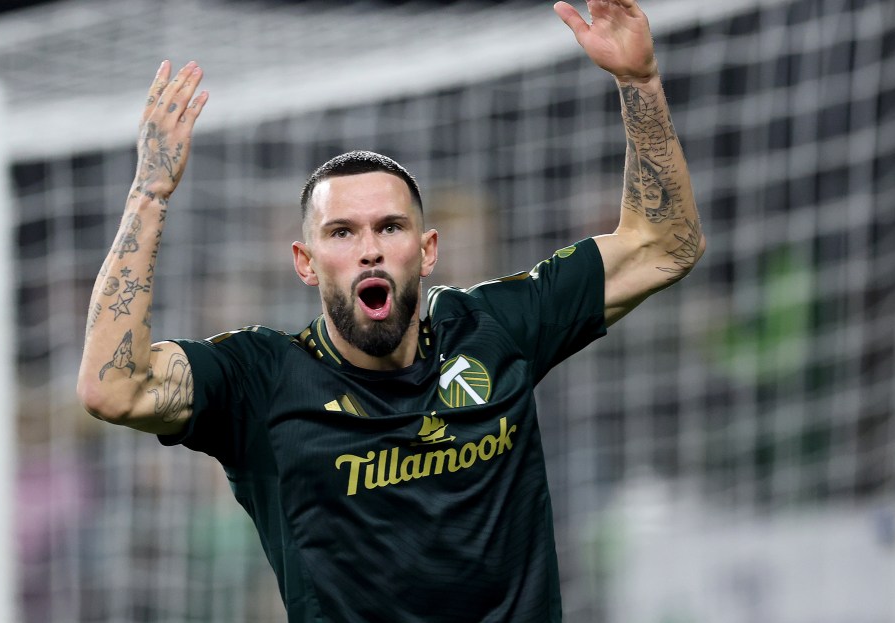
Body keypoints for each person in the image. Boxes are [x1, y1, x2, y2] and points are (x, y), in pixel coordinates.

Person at [77, 1, 704, 620]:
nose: (370, 249)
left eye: (390, 227)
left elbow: (666, 246)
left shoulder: (491, 328)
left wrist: (639, 82)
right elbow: (113, 388)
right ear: (305, 262)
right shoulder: (261, 380)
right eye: (342, 232)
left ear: (427, 251)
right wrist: (150, 193)